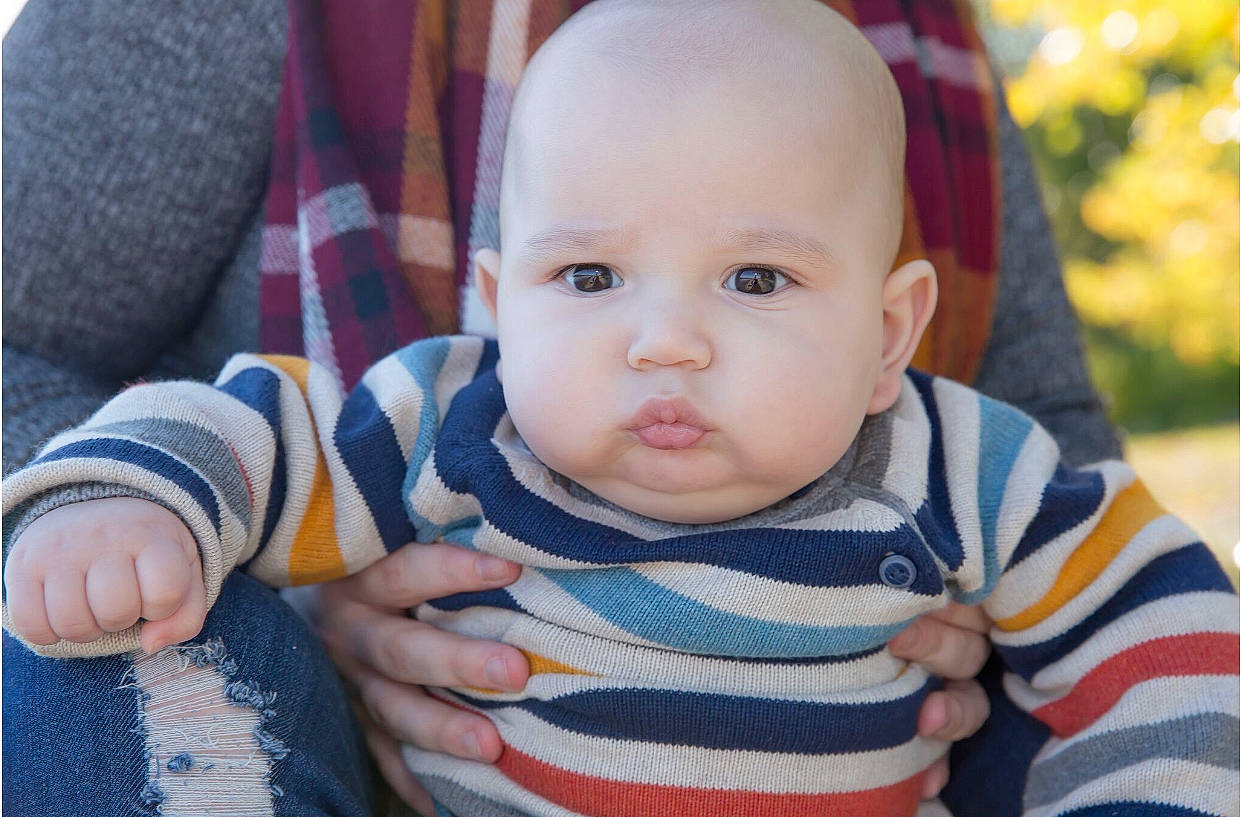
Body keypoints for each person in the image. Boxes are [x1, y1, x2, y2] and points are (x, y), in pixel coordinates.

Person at [5, 3, 1237, 816]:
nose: (664, 340)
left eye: (757, 279)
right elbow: (259, 432)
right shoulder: (462, 422)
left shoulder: (952, 462)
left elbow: (1159, 610)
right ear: (502, 302)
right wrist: (129, 503)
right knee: (112, 641)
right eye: (587, 278)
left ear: (887, 335)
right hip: (388, 750)